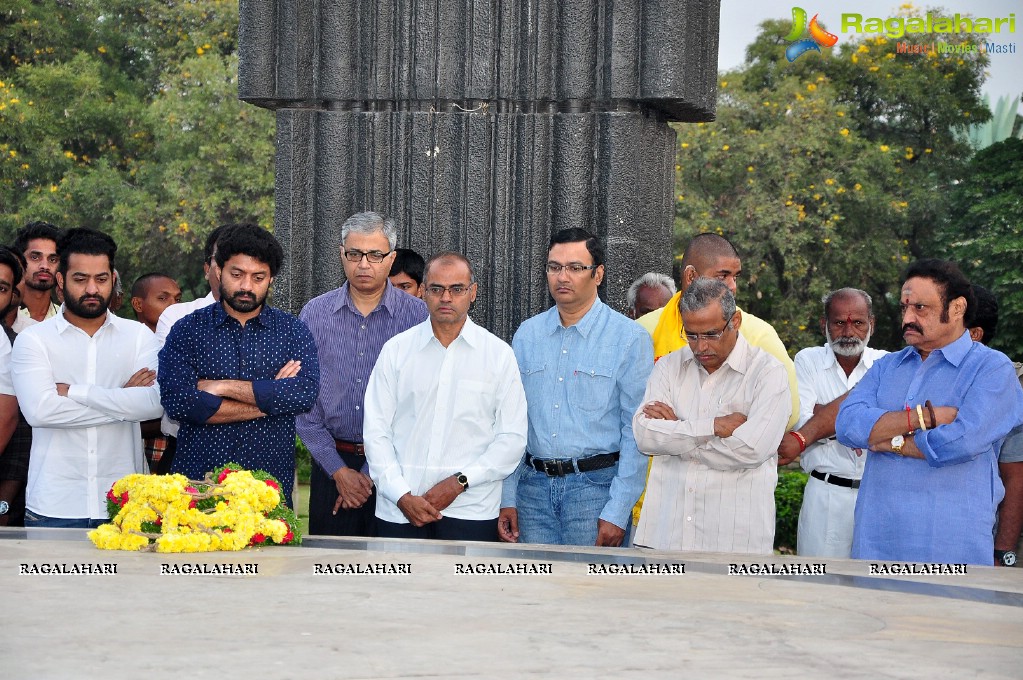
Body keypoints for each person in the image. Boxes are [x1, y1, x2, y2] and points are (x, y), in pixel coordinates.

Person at [836, 259, 1023, 565]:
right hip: (877, 541)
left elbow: (960, 441)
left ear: (958, 308)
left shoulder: (992, 369)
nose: (907, 318)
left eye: (920, 308)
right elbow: (847, 425)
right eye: (904, 307)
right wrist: (923, 419)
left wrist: (889, 441)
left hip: (951, 548)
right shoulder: (887, 366)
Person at [630, 233, 799, 537]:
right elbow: (644, 435)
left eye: (710, 334)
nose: (700, 346)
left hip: (733, 532)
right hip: (665, 528)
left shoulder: (765, 363)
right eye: (691, 335)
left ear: (734, 323)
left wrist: (678, 435)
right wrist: (714, 426)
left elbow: (754, 447)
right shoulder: (665, 358)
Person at [498, 228, 653, 547]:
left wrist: (618, 509)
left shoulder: (628, 339)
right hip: (533, 493)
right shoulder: (528, 335)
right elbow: (513, 422)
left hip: (595, 493)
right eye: (554, 267)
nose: (562, 277)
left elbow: (635, 431)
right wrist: (507, 496)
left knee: (589, 593)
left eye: (575, 267)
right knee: (534, 594)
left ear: (598, 274)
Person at [363, 253, 527, 540]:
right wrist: (401, 494)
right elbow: (376, 432)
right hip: (400, 509)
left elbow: (511, 439)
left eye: (457, 289)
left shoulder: (498, 356)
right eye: (437, 289)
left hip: (471, 509)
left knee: (463, 586)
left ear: (472, 292)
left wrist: (460, 482)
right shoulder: (396, 351)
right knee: (398, 585)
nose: (446, 297)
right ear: (423, 292)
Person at [158, 224, 320, 505]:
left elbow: (303, 394)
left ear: (271, 280)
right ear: (218, 271)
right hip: (198, 490)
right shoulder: (187, 330)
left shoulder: (293, 331)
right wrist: (271, 400)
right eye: (237, 274)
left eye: (258, 277)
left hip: (268, 491)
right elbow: (180, 403)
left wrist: (222, 387)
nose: (246, 286)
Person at [11, 229, 162, 528]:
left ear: (113, 278)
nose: (92, 289)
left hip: (125, 506)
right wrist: (122, 398)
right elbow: (41, 412)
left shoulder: (138, 336)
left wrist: (76, 392)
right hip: (54, 506)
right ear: (61, 281)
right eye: (80, 279)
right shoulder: (33, 340)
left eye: (101, 279)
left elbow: (154, 405)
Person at [296, 212, 428, 536]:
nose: (364, 264)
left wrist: (369, 474)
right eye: (354, 254)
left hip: (397, 470)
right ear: (342, 254)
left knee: (392, 574)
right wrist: (340, 472)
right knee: (330, 573)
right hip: (331, 467)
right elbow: (302, 400)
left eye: (375, 255)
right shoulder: (315, 313)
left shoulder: (418, 317)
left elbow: (421, 401)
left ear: (391, 258)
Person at [780, 288, 887, 558]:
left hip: (878, 497)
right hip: (824, 495)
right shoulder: (808, 360)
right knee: (818, 588)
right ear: (824, 325)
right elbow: (801, 422)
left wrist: (823, 419)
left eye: (858, 322)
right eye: (839, 322)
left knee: (876, 590)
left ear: (871, 324)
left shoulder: (886, 364)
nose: (849, 331)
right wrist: (863, 426)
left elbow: (897, 425)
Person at [151, 224, 236, 474]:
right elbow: (177, 396)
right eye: (220, 259)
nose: (229, 268)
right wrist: (260, 398)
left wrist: (214, 385)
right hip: (185, 449)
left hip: (250, 452)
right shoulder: (177, 316)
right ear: (206, 268)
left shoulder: (276, 326)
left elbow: (285, 395)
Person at [966, 285, 1023, 567]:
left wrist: (1003, 554)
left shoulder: (1004, 383)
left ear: (975, 334)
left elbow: (1015, 478)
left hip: (980, 541)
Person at [0, 247, 30, 526]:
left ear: (12, 297)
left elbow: (12, 424)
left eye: (0, 288)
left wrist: (3, 504)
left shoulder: (12, 346)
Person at [12, 221, 62, 329]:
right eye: (35, 257)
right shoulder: (6, 314)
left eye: (52, 259)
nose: (45, 266)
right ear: (18, 261)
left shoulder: (65, 319)